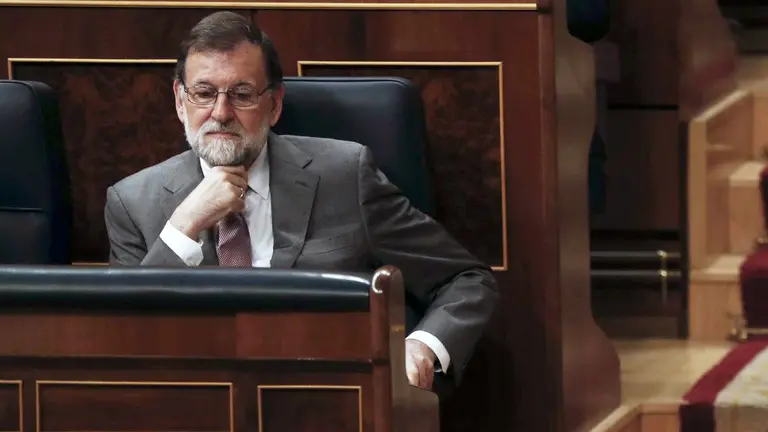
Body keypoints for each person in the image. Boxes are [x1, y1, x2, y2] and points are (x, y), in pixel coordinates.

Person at [104, 11, 498, 396]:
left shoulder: (345, 176)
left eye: (242, 94)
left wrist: (422, 345)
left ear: (274, 104)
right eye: (204, 93)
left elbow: (465, 279)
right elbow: (124, 339)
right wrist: (184, 224)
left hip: (331, 402)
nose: (221, 113)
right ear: (179, 100)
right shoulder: (133, 202)